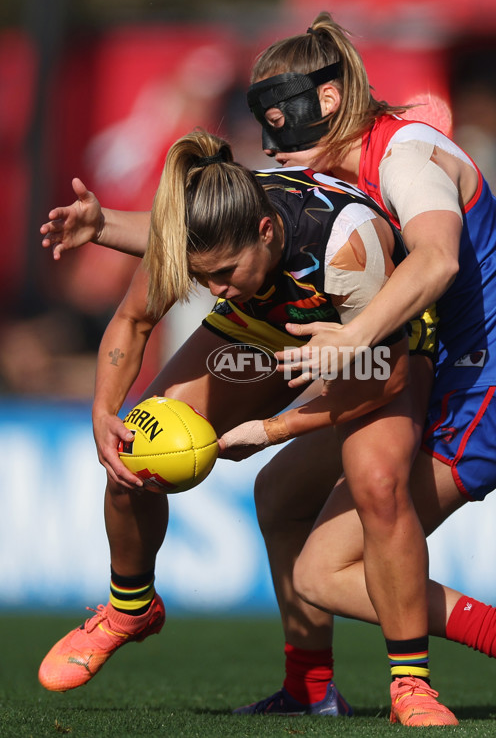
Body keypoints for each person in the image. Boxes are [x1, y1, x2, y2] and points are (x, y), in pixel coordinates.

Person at [39, 14, 496, 725]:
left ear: (325, 102)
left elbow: (437, 261)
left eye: (277, 115)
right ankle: (299, 683)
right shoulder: (316, 175)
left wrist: (312, 381)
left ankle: (486, 649)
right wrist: (107, 225)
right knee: (277, 493)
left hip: (484, 378)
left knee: (336, 550)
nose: (271, 139)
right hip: (392, 349)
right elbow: (221, 228)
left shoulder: (405, 158)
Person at [38, 129, 461, 725]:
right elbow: (133, 322)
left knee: (378, 483)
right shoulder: (202, 231)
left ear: (265, 231)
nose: (213, 290)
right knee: (135, 446)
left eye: (226, 273)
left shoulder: (346, 246)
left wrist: (271, 430)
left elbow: (384, 378)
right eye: (202, 276)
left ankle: (410, 686)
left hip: (369, 341)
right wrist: (103, 412)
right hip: (261, 329)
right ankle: (131, 607)